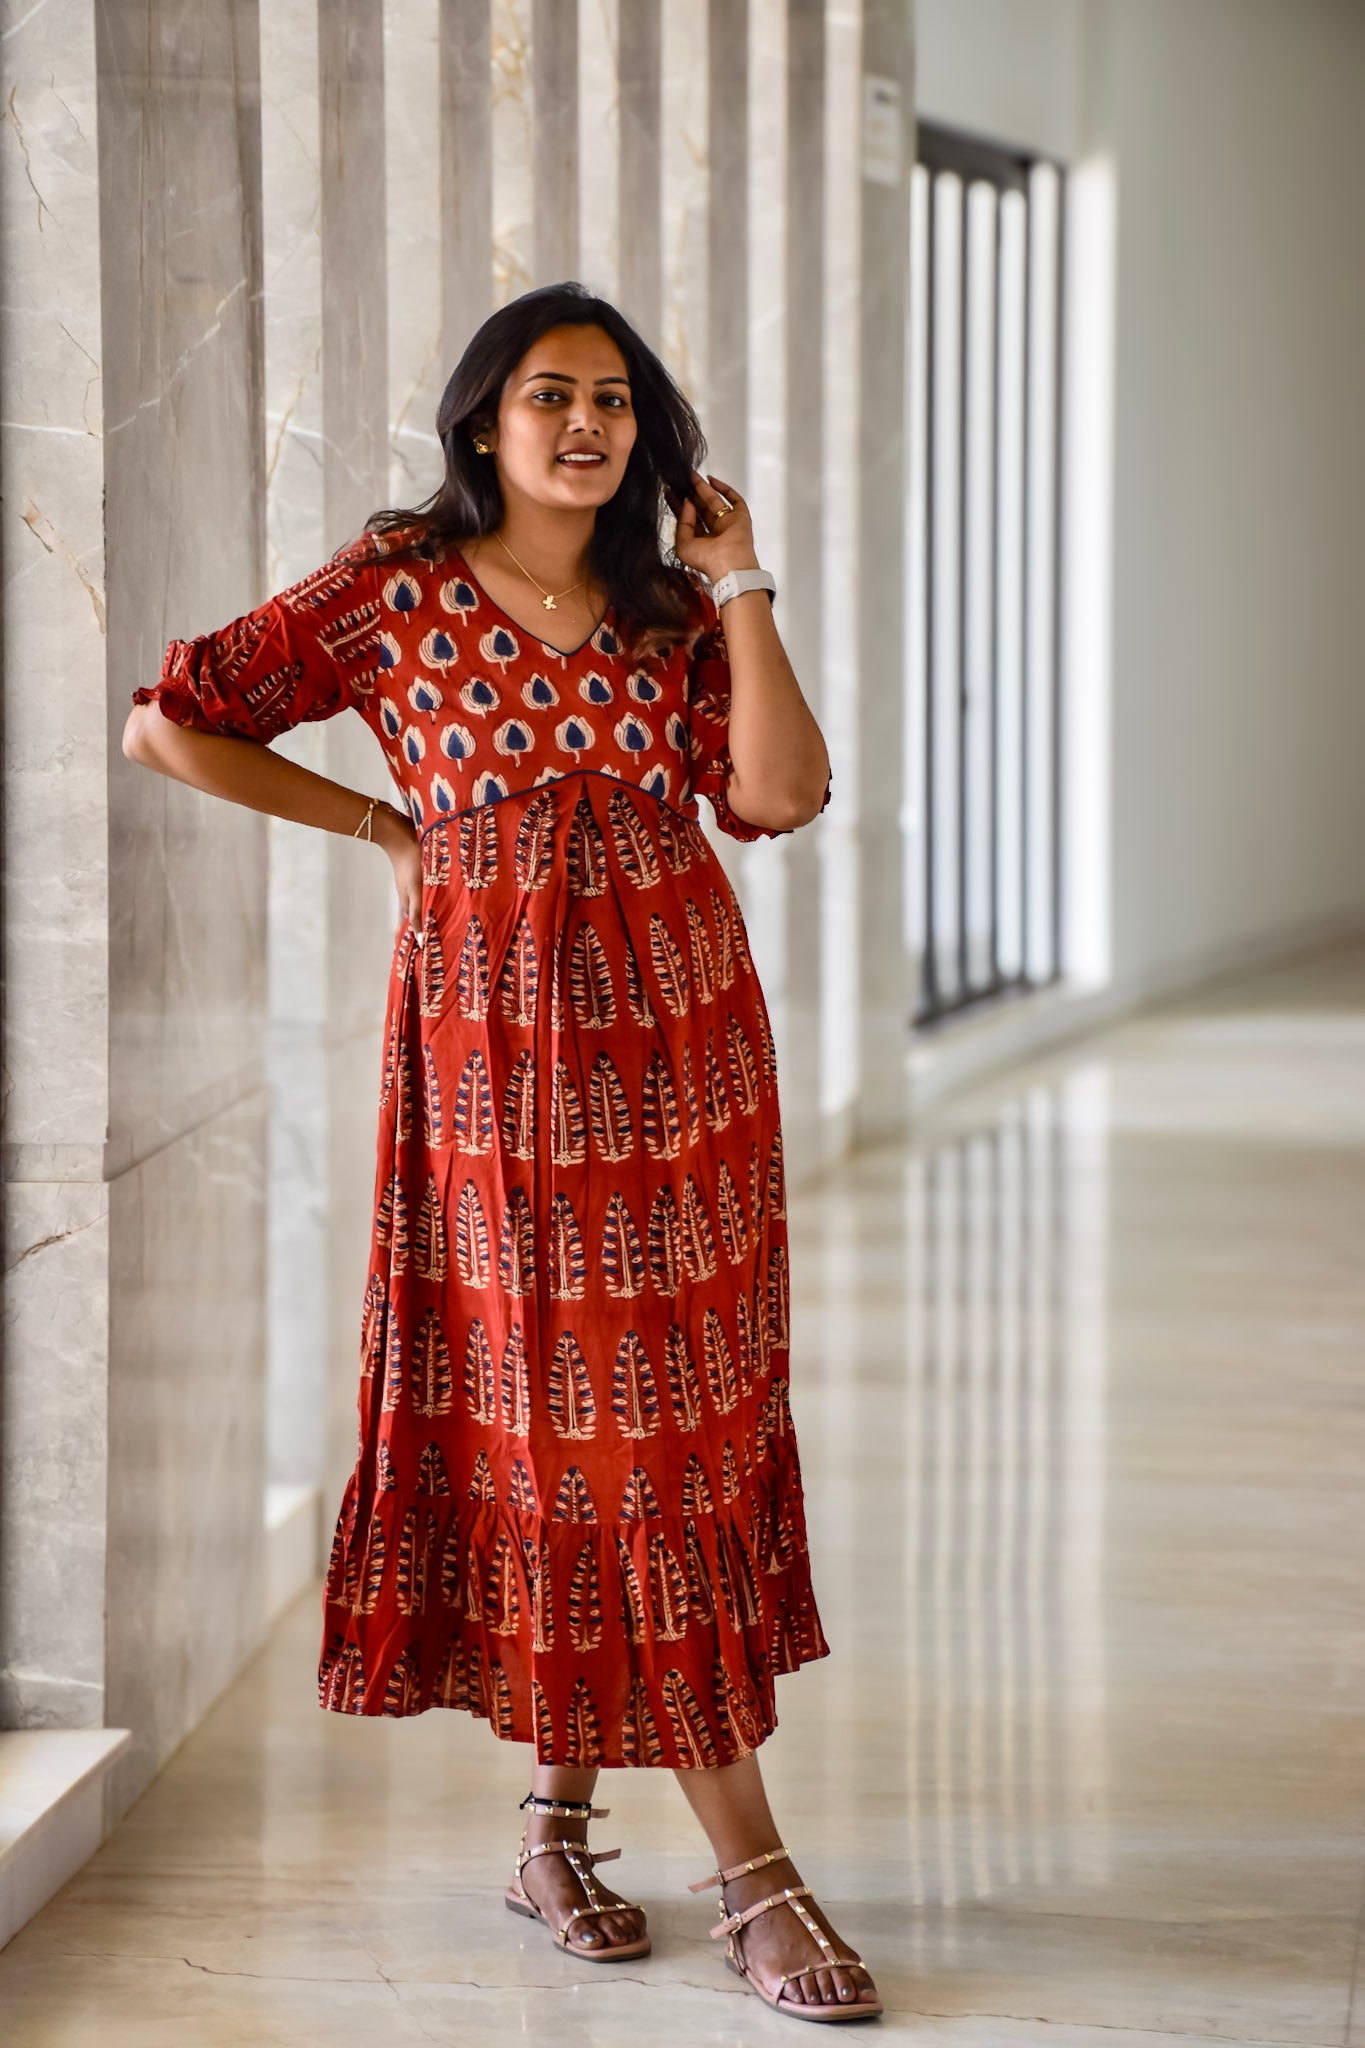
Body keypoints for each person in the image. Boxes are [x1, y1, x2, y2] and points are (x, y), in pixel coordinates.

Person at [123, 281, 882, 2024]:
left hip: (683, 1054)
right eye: (550, 394)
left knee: (664, 1429)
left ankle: (557, 1829)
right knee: (574, 1423)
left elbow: (775, 795)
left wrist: (742, 579)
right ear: (484, 419)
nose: (584, 425)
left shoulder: (671, 606)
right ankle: (749, 1869)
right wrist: (389, 828)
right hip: (493, 1069)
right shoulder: (394, 587)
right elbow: (172, 720)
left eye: (613, 400)